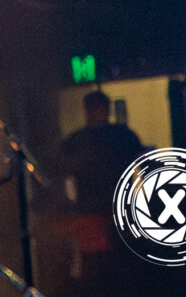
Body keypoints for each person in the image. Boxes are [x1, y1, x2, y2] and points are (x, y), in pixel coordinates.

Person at [56, 90, 150, 297]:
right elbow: (143, 167)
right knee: (120, 272)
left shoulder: (76, 140)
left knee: (97, 274)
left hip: (93, 217)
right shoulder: (123, 136)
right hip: (113, 215)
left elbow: (62, 178)